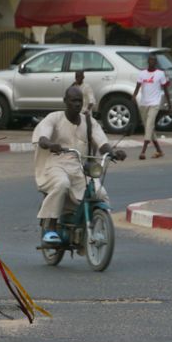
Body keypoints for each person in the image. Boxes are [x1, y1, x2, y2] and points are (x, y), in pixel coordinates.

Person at [32, 87, 127, 245]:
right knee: (62, 183)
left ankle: (100, 227)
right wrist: (51, 144)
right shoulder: (53, 118)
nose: (77, 104)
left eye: (79, 101)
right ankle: (50, 227)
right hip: (54, 165)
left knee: (99, 192)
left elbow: (102, 143)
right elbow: (42, 139)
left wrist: (113, 152)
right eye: (73, 100)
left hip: (78, 168)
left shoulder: (89, 122)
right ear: (65, 101)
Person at [132, 54, 172, 160]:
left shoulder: (160, 74)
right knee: (149, 127)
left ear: (156, 62)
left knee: (149, 124)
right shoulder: (142, 73)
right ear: (148, 62)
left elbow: (165, 89)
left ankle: (143, 151)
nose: (152, 62)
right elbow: (138, 86)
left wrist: (169, 104)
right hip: (143, 104)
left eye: (154, 61)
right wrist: (134, 95)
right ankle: (159, 150)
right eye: (150, 60)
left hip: (155, 103)